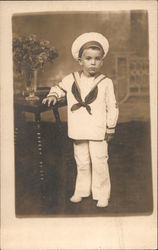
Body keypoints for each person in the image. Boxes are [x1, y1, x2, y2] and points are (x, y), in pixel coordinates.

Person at [42, 32, 119, 207]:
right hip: (78, 128)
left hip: (98, 129)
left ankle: (102, 193)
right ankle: (82, 190)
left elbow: (112, 106)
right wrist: (53, 95)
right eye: (88, 58)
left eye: (97, 59)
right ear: (80, 60)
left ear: (102, 61)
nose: (93, 62)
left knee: (99, 160)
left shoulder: (106, 82)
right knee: (82, 161)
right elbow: (58, 88)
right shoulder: (71, 79)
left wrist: (111, 127)